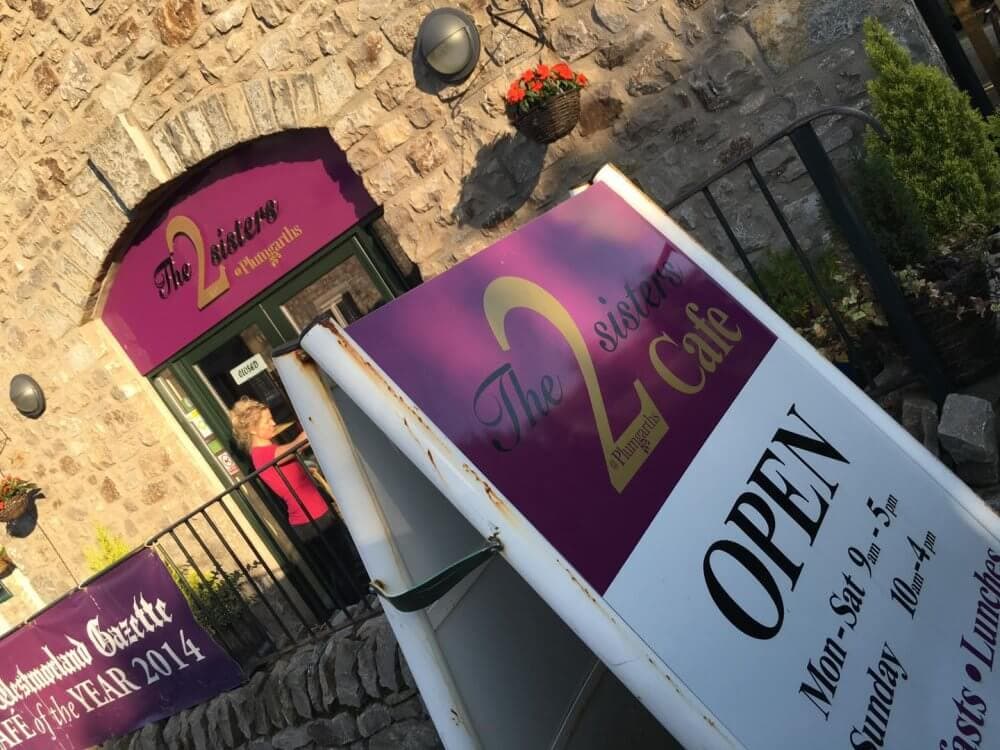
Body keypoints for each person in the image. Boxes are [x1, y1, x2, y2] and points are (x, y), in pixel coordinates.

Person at [230, 397, 366, 607]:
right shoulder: (263, 454)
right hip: (311, 520)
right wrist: (310, 425)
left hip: (315, 514)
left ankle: (359, 603)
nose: (273, 423)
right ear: (253, 430)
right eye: (267, 421)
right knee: (343, 566)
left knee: (344, 563)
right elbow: (294, 447)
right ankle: (358, 605)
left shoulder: (267, 451)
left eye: (272, 418)